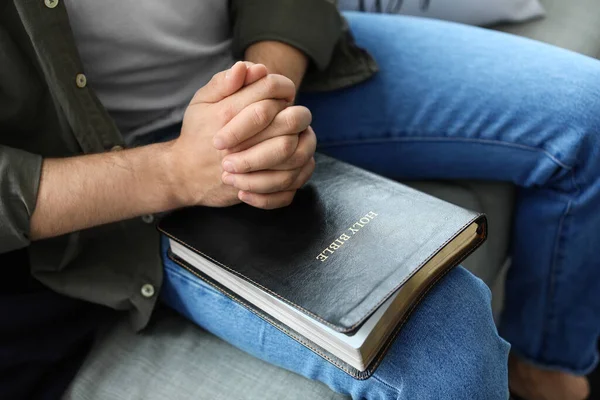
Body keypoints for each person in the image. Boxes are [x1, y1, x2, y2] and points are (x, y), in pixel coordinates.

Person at [0, 0, 598, 399]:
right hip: (125, 168)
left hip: (263, 69)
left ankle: (546, 368)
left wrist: (262, 92)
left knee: (584, 112)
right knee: (446, 352)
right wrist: (179, 172)